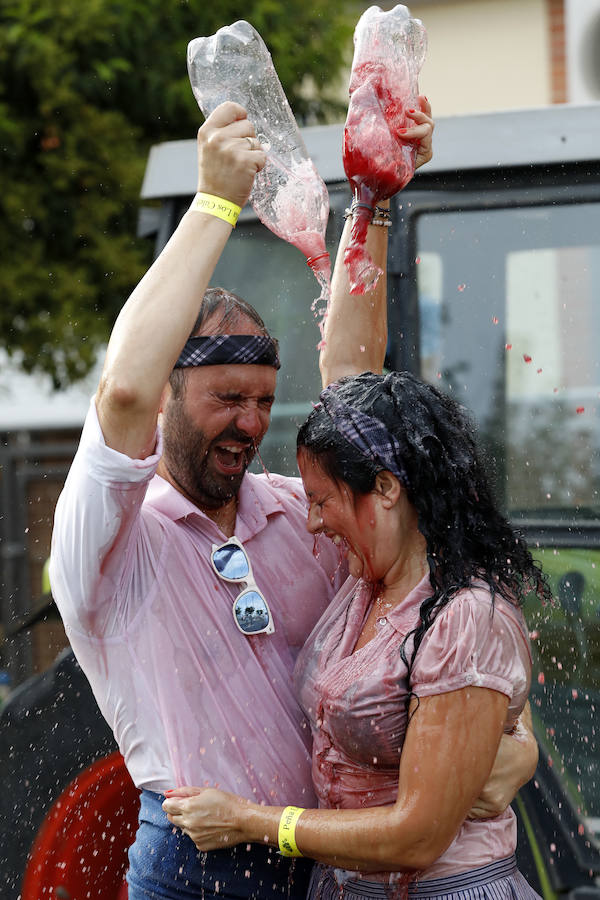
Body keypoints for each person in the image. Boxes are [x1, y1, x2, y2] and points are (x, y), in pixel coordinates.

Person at [50, 97, 533, 900]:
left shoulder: (299, 512)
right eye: (226, 397)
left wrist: (376, 199)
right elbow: (123, 387)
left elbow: (355, 385)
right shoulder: (111, 540)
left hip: (333, 859)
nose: (251, 423)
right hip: (196, 868)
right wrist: (214, 202)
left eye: (265, 399)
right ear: (170, 396)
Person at [161, 373, 550, 900]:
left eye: (322, 501)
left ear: (386, 488)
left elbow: (418, 837)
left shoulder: (466, 616)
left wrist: (249, 821)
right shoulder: (361, 582)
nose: (313, 523)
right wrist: (521, 740)